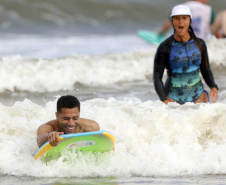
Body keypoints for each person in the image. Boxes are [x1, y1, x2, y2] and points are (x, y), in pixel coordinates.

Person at [153, 5, 218, 104]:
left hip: (199, 97)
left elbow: (205, 69)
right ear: (172, 21)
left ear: (190, 20)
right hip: (172, 98)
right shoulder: (165, 47)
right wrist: (164, 100)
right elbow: (157, 77)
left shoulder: (200, 44)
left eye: (184, 18)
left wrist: (213, 86)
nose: (180, 22)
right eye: (176, 18)